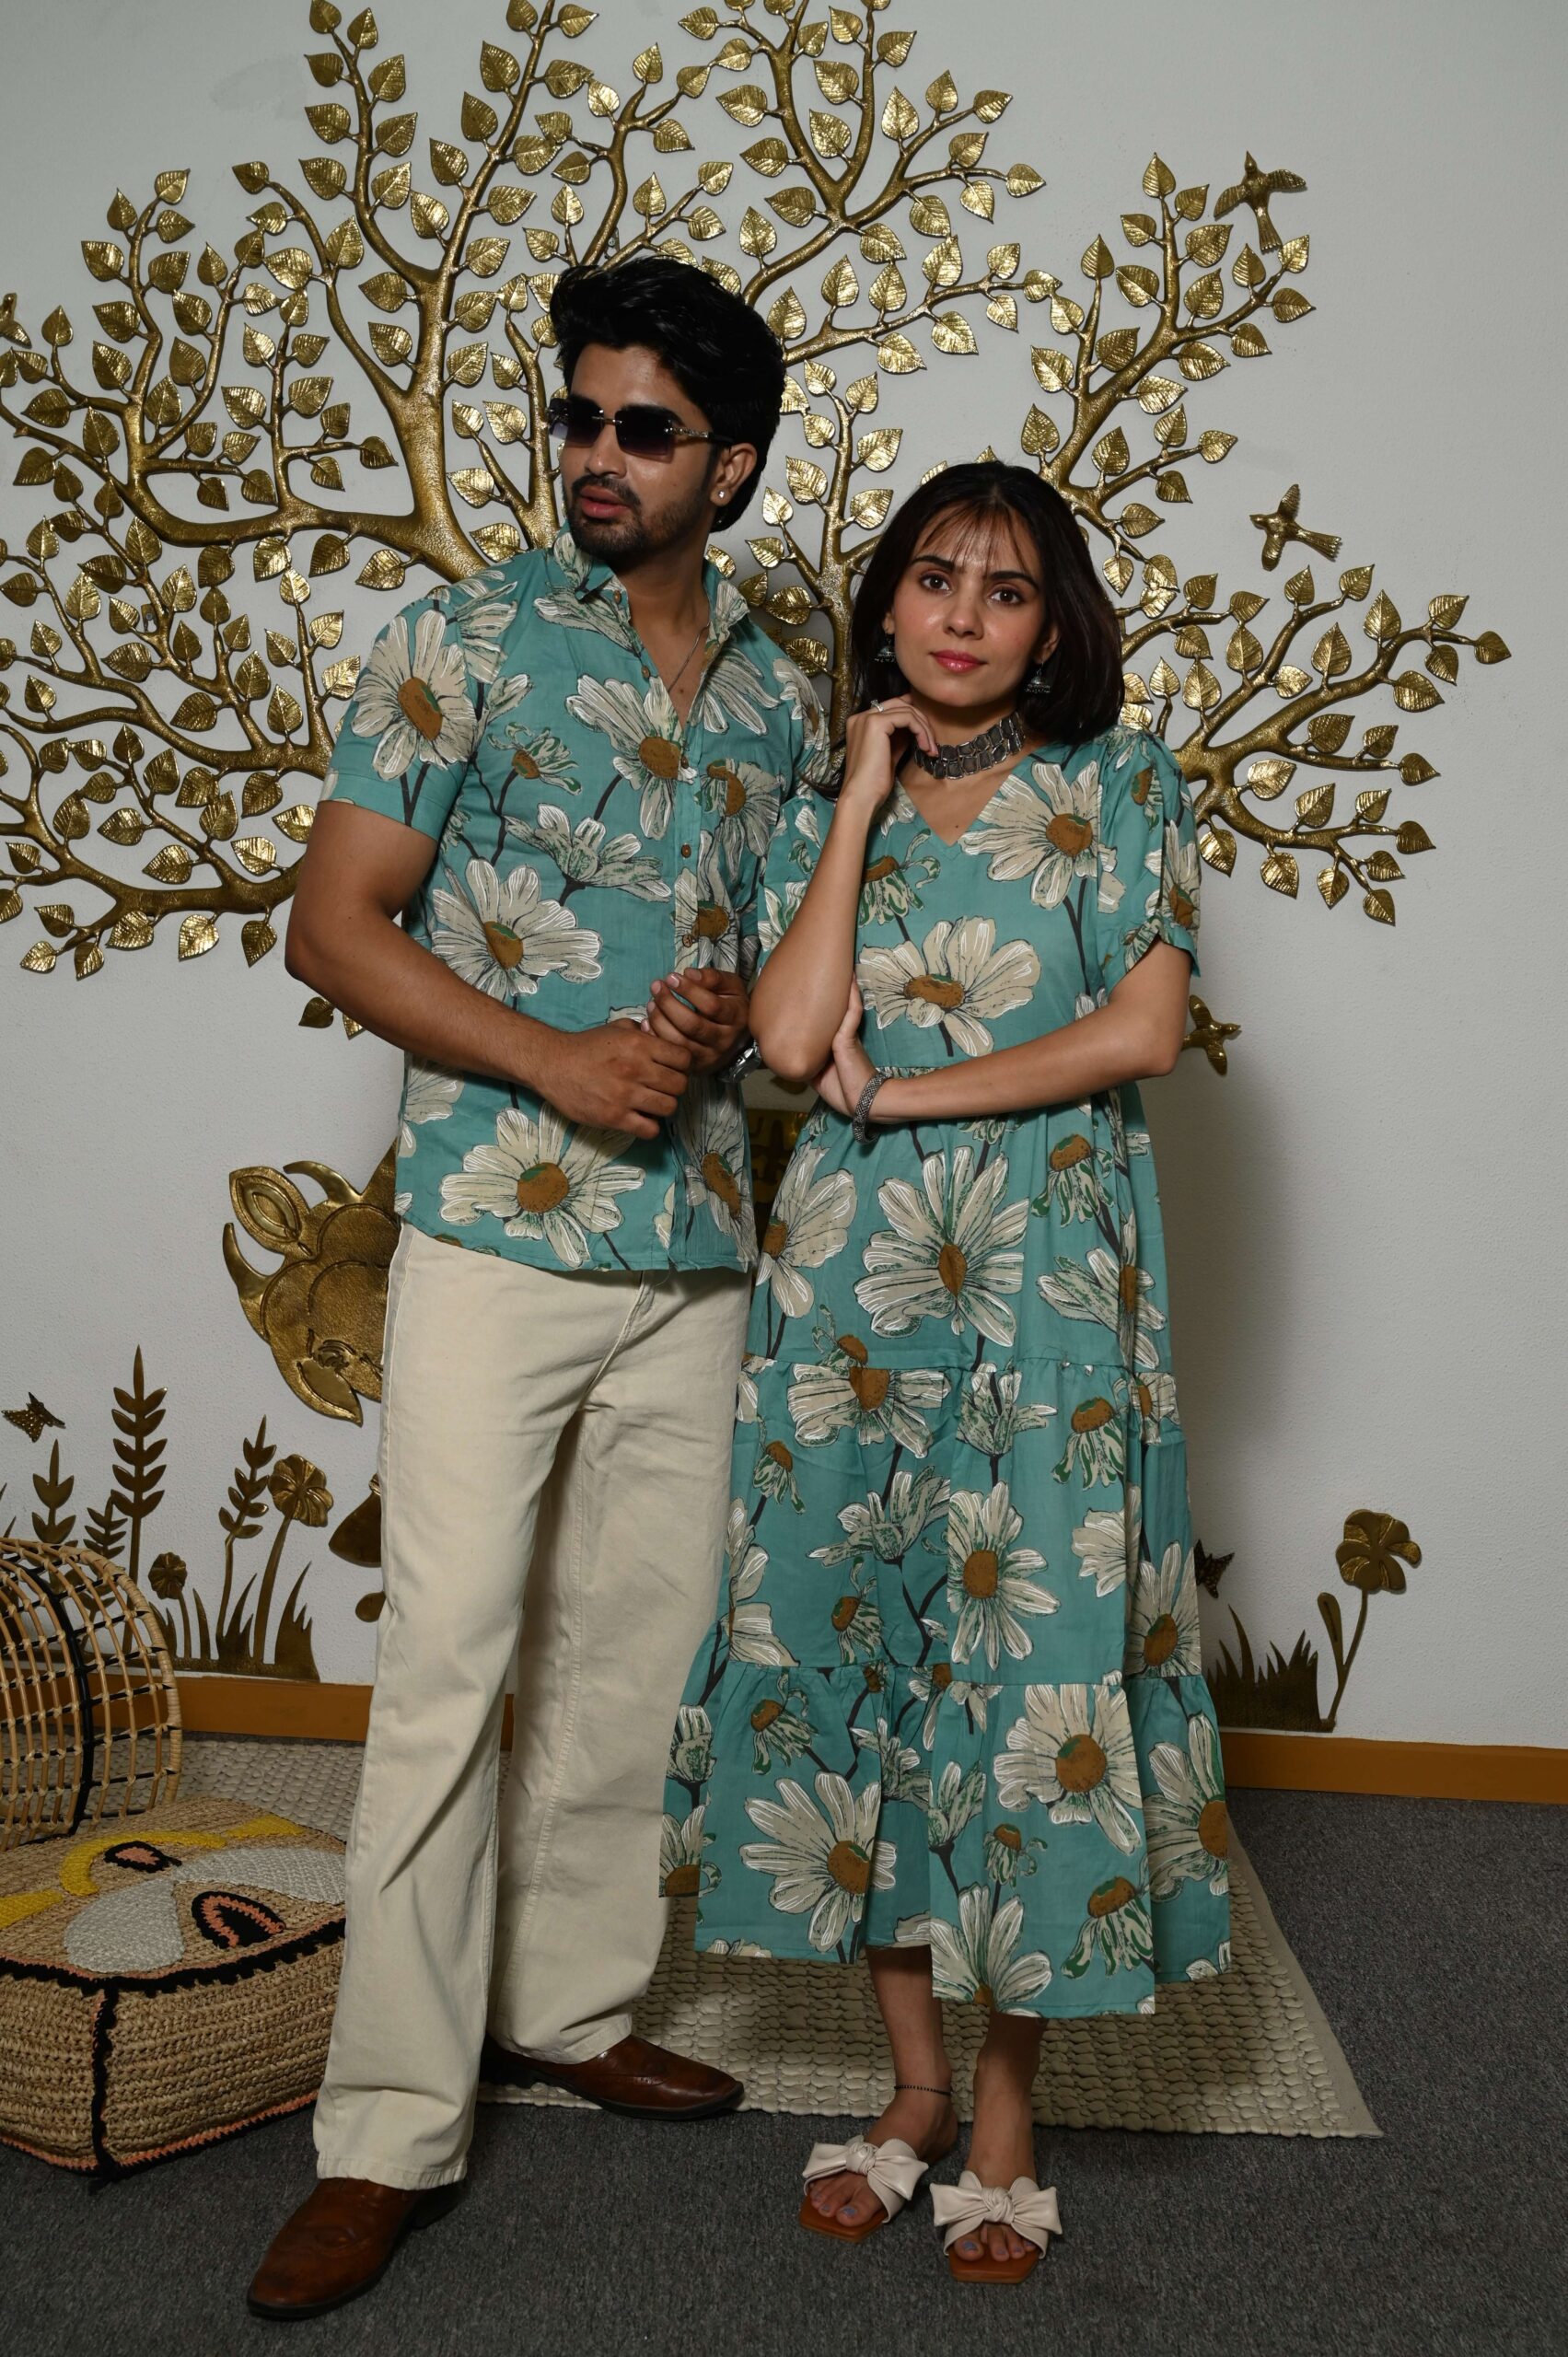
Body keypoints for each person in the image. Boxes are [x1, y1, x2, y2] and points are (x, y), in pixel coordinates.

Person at [248, 255, 830, 2322]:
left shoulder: (781, 686)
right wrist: (556, 1058)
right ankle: (385, 2128)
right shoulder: (462, 636)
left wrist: (724, 1011)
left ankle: (568, 2008)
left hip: (695, 1248)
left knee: (633, 1667)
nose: (593, 453)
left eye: (641, 428)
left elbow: (788, 972)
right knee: (447, 1676)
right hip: (497, 1230)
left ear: (727, 467)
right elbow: (335, 924)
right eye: (576, 415)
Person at [663, 461, 1232, 2283]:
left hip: (1049, 1280)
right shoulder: (830, 801)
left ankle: (1002, 2107)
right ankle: (909, 2085)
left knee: (1030, 1676)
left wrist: (909, 1094)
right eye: (932, 579)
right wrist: (855, 801)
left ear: (1054, 626)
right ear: (888, 605)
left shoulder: (1120, 783)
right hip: (850, 1290)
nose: (963, 617)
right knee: (860, 1656)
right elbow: (786, 1038)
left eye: (1006, 588)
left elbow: (1140, 1028)